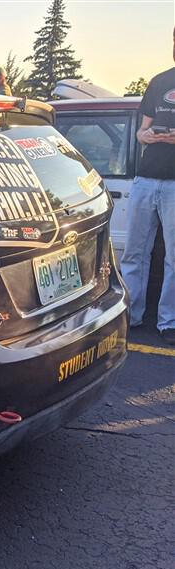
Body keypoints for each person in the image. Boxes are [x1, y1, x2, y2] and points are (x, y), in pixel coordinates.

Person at [120, 28, 175, 344]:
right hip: (145, 180)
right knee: (134, 253)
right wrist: (149, 136)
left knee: (173, 258)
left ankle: (169, 322)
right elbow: (142, 131)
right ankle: (131, 315)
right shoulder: (159, 81)